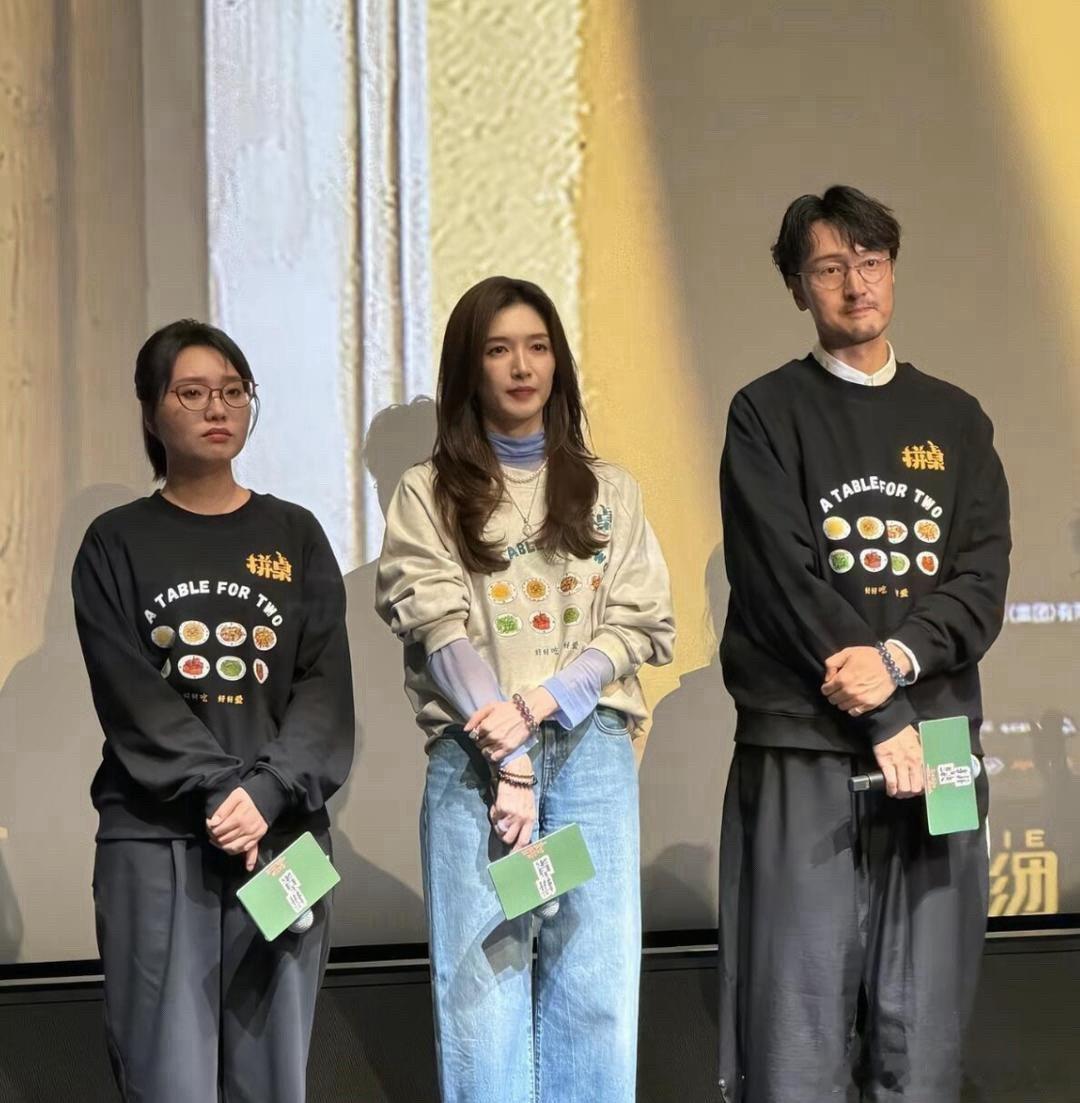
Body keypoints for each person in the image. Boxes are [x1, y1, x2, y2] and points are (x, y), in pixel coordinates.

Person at [716, 186, 1011, 1102]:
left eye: (871, 262)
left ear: (892, 269)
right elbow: (779, 579)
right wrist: (880, 710)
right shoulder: (765, 412)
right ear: (797, 287)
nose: (856, 285)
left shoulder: (957, 418)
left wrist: (897, 662)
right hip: (804, 736)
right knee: (797, 1022)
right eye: (830, 268)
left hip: (943, 737)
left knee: (926, 1027)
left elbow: (981, 580)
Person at [376, 276, 675, 1102]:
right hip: (475, 761)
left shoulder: (610, 489)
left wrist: (546, 702)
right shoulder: (426, 492)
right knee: (481, 997)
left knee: (597, 989)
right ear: (468, 368)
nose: (521, 366)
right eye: (499, 349)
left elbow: (642, 620)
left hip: (590, 750)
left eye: (537, 347)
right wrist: (508, 750)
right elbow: (437, 628)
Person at [71, 319, 354, 1103]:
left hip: (282, 841)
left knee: (274, 1080)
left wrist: (265, 793)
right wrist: (223, 790)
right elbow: (132, 697)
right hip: (157, 842)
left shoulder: (295, 534)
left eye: (232, 390)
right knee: (168, 1079)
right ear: (150, 410)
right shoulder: (114, 543)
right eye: (191, 392)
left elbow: (325, 691)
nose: (216, 407)